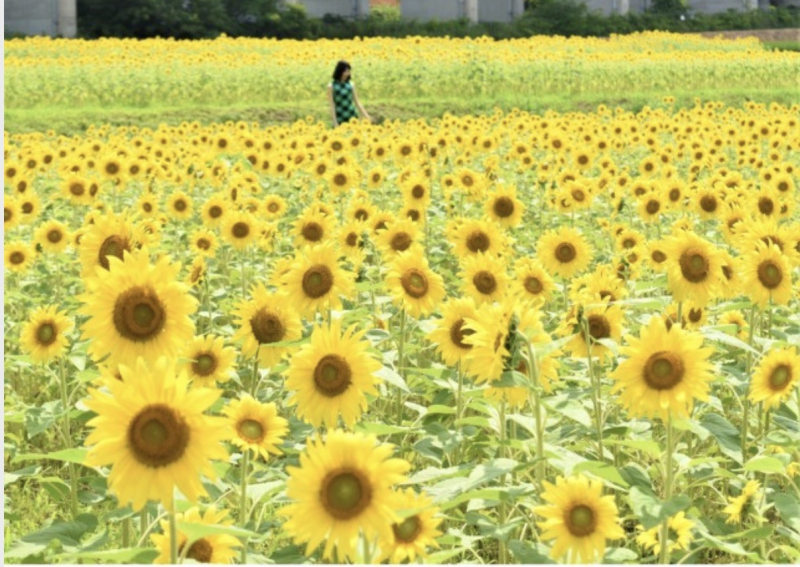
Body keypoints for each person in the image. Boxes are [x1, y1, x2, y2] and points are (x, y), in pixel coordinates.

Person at [328, 61, 371, 127]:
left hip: (352, 117)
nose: (348, 74)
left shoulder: (351, 85)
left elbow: (357, 102)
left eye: (349, 71)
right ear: (340, 71)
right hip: (340, 117)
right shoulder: (331, 86)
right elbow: (332, 105)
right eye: (346, 71)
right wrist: (335, 122)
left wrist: (367, 116)